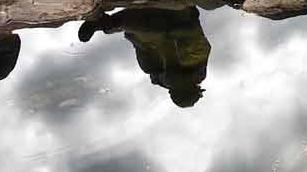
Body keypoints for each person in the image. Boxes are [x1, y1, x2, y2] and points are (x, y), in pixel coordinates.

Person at [77, 6, 212, 108]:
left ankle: (106, 23)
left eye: (172, 89)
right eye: (179, 86)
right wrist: (169, 52)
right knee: (157, 31)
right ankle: (108, 23)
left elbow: (140, 44)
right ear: (191, 83)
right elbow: (190, 30)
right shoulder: (197, 57)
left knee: (149, 46)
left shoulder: (156, 72)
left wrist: (164, 61)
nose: (172, 84)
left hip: (144, 23)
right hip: (175, 15)